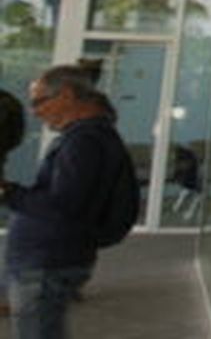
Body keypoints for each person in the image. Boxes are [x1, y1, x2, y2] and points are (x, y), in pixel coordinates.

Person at [2, 65, 138, 339]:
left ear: (65, 96)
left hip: (47, 265)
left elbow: (63, 207)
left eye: (39, 102)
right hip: (45, 262)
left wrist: (8, 193)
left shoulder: (84, 142)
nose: (35, 111)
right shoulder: (87, 137)